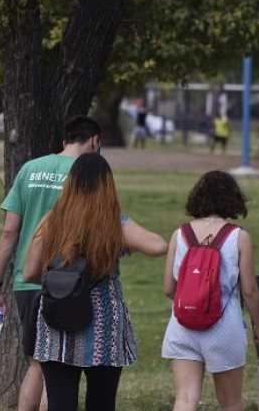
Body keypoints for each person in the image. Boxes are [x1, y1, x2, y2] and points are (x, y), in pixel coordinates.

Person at [22, 152, 167, 411]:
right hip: (103, 327)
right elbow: (158, 246)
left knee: (59, 402)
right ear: (108, 187)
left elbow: (30, 272)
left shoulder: (51, 221)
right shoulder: (114, 226)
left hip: (56, 322)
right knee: (102, 402)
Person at [0, 116, 103, 411]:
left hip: (27, 280)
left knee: (37, 363)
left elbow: (10, 232)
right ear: (95, 141)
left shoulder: (30, 169)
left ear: (65, 141)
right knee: (58, 367)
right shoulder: (88, 175)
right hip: (67, 281)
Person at [162, 171, 259, 411]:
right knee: (230, 403)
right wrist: (258, 329)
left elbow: (168, 288)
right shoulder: (240, 237)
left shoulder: (180, 235)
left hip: (182, 325)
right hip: (223, 327)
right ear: (233, 199)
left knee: (185, 398)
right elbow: (249, 291)